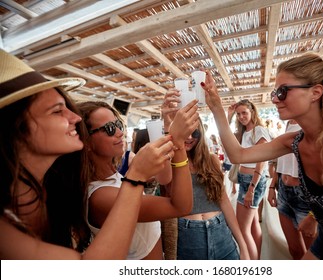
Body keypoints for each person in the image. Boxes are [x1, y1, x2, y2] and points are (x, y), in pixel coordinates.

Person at [202, 53, 323, 259]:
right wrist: (217, 108)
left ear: (315, 92)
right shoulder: (293, 142)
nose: (274, 99)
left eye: (282, 91)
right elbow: (238, 155)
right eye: (275, 92)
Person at [0, 49, 173, 259]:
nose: (76, 118)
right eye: (57, 111)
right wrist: (136, 177)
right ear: (16, 129)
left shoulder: (52, 191)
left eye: (118, 124)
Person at [77, 100, 199, 260]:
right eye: (109, 129)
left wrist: (169, 129)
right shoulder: (101, 196)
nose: (120, 132)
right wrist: (179, 143)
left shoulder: (113, 175)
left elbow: (165, 177)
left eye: (118, 124)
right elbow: (180, 207)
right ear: (86, 142)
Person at [161, 89, 250, 260]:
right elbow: (165, 179)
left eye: (194, 132)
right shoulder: (169, 159)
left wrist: (242, 243)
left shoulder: (211, 160)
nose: (188, 137)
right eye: (184, 131)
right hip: (186, 238)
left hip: (221, 233)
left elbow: (223, 200)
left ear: (200, 132)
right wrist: (168, 129)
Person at [226, 99, 271, 260]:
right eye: (238, 114)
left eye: (244, 112)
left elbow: (262, 161)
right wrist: (229, 116)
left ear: (252, 111)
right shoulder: (245, 132)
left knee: (242, 230)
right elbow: (226, 138)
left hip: (253, 181)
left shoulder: (259, 130)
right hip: (247, 180)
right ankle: (256, 259)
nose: (241, 116)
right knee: (252, 227)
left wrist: (252, 188)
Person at [267, 120, 317, 259]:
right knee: (294, 250)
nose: (277, 99)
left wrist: (315, 215)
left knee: (313, 254)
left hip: (306, 195)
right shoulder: (289, 123)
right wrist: (272, 185)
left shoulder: (314, 123)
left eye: (282, 96)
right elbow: (284, 159)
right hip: (284, 190)